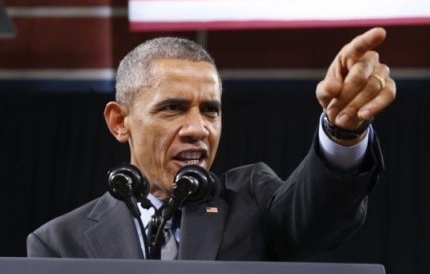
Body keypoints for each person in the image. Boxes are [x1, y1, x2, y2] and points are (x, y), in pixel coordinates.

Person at [26, 27, 395, 261]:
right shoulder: (58, 243)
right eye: (173, 108)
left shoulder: (251, 200)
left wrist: (342, 132)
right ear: (120, 122)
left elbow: (315, 216)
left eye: (210, 110)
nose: (198, 128)